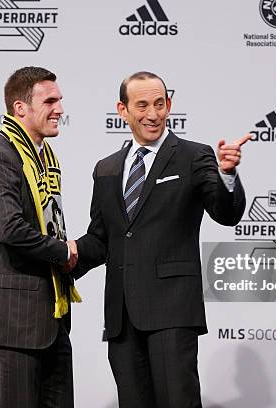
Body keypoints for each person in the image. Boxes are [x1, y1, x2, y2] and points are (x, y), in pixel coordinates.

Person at [71, 71, 248, 408]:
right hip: (122, 317)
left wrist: (227, 174)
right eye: (141, 105)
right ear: (122, 110)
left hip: (172, 311)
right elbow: (101, 238)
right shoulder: (106, 168)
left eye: (159, 104)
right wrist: (62, 256)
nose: (152, 114)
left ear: (169, 105)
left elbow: (227, 213)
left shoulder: (193, 156)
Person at [0, 66, 80, 408]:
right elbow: (9, 229)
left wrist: (76, 253)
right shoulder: (0, 157)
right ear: (20, 108)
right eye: (50, 100)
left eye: (60, 100)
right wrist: (62, 251)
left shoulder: (44, 159)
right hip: (11, 323)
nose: (59, 108)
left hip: (51, 321)